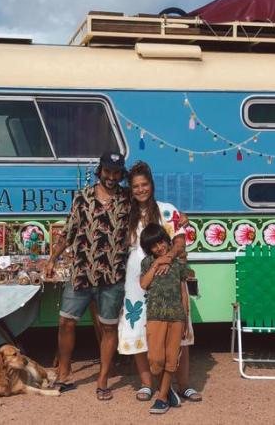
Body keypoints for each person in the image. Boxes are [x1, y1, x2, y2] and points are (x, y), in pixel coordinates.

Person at [45, 151, 130, 401]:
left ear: (121, 173)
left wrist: (178, 220)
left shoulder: (127, 200)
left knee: (108, 328)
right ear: (100, 171)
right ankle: (65, 372)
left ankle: (103, 380)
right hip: (81, 272)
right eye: (107, 172)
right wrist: (52, 258)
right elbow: (68, 232)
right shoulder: (83, 197)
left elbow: (149, 217)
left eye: (116, 173)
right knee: (65, 322)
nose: (111, 177)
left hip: (113, 275)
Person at [118, 161, 202, 403]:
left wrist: (167, 259)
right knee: (139, 328)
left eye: (144, 184)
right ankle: (147, 384)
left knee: (178, 331)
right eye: (135, 186)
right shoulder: (126, 214)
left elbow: (179, 241)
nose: (141, 189)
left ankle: (183, 384)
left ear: (152, 185)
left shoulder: (167, 210)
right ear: (131, 189)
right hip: (136, 281)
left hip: (168, 278)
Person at [138, 223, 190, 414]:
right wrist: (156, 264)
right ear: (149, 249)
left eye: (161, 243)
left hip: (176, 316)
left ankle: (161, 397)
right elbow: (143, 284)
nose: (159, 248)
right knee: (155, 358)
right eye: (154, 246)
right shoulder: (147, 262)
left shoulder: (179, 264)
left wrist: (185, 317)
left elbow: (183, 291)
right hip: (155, 316)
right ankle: (168, 392)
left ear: (167, 241)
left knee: (171, 358)